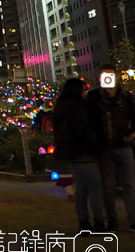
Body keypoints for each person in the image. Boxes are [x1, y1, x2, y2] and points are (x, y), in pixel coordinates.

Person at [85, 64, 135, 231]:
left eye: (110, 75)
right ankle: (112, 220)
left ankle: (133, 220)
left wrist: (131, 134)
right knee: (108, 188)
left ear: (116, 77)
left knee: (130, 186)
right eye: (104, 76)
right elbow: (87, 121)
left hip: (124, 146)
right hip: (104, 148)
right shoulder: (94, 98)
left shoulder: (125, 97)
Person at [53, 77, 105, 231]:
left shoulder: (60, 107)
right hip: (85, 152)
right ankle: (99, 222)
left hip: (71, 155)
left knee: (81, 189)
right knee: (95, 188)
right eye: (83, 90)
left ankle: (83, 222)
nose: (85, 93)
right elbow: (84, 131)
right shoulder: (78, 108)